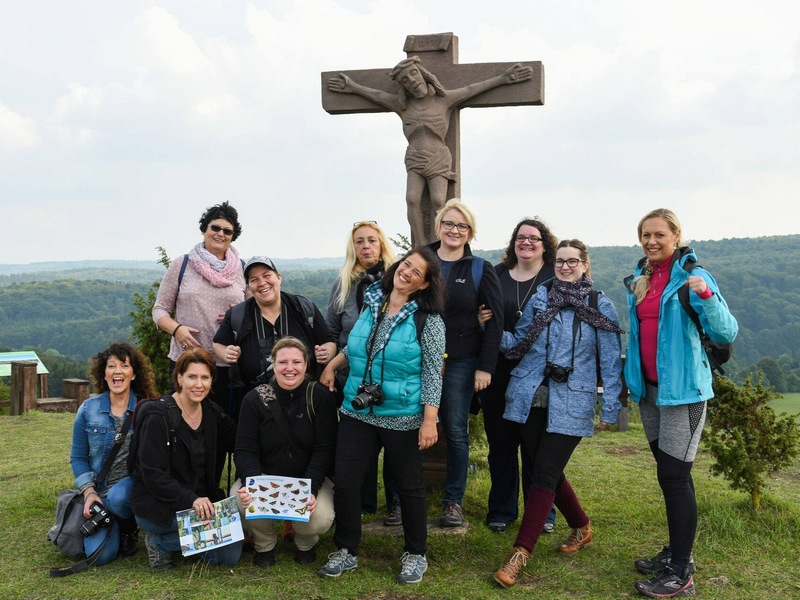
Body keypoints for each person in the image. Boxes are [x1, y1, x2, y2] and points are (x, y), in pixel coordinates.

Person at [493, 240, 624, 588]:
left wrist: (610, 405)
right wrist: (487, 327)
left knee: (545, 472)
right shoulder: (541, 299)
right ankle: (581, 526)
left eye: (573, 261)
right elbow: (518, 342)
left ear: (585, 264)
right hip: (532, 396)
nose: (565, 267)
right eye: (561, 261)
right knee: (544, 469)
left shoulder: (600, 305)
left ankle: (519, 554)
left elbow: (610, 362)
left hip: (574, 400)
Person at [624, 209, 738, 598]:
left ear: (676, 236)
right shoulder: (641, 278)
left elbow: (726, 330)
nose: (651, 241)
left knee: (674, 477)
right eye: (645, 235)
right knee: (669, 474)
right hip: (651, 393)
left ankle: (681, 573)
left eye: (658, 235)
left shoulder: (694, 277)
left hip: (685, 392)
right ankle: (676, 551)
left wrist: (705, 296)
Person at [317, 247, 446, 585]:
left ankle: (415, 554)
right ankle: (346, 550)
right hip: (357, 411)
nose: (407, 272)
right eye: (406, 265)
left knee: (409, 486)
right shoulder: (372, 302)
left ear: (423, 284)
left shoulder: (428, 320)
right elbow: (357, 345)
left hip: (402, 415)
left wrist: (430, 420)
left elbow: (434, 373)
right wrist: (332, 365)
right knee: (346, 482)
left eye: (417, 272)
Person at [328, 57, 533, 244]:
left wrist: (503, 79)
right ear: (403, 87)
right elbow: (376, 95)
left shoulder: (443, 100)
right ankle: (421, 244)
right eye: (406, 80)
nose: (412, 81)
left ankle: (438, 242)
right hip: (415, 157)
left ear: (423, 74)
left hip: (438, 157)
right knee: (412, 199)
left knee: (438, 200)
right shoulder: (403, 106)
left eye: (413, 74)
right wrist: (352, 86)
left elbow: (471, 89)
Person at [131, 348, 248, 569]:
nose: (199, 384)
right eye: (192, 376)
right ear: (179, 378)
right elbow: (153, 474)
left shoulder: (212, 413)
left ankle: (182, 541)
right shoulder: (158, 416)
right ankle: (160, 542)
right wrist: (190, 500)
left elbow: (240, 440)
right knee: (224, 542)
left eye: (205, 377)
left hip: (201, 504)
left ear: (212, 381)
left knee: (229, 554)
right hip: (160, 506)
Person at [425, 198, 503, 527]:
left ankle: (452, 501)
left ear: (470, 232)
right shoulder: (421, 260)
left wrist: (485, 367)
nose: (454, 230)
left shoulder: (479, 268)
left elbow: (495, 319)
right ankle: (401, 499)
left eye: (462, 226)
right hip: (419, 360)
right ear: (439, 226)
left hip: (461, 360)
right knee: (407, 426)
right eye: (449, 224)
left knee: (456, 430)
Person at [478, 218, 558, 534]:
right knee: (501, 444)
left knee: (536, 448)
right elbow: (479, 311)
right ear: (513, 243)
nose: (526, 242)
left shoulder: (554, 278)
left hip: (539, 374)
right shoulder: (496, 276)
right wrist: (478, 317)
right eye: (520, 237)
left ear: (545, 243)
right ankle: (501, 509)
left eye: (533, 238)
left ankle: (543, 513)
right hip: (497, 372)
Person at [233, 337, 337, 568]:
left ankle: (305, 542)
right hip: (266, 476)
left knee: (318, 517)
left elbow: (324, 450)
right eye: (283, 362)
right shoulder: (256, 398)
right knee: (242, 501)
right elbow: (245, 449)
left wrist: (310, 489)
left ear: (306, 365)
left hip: (308, 478)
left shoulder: (319, 397)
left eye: (296, 362)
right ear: (274, 364)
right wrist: (253, 483)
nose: (290, 368)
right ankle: (265, 544)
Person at [326, 221, 400, 524]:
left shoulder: (397, 281)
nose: (366, 246)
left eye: (372, 240)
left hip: (390, 374)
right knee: (360, 442)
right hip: (350, 377)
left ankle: (395, 502)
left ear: (382, 244)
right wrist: (329, 365)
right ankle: (365, 501)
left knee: (394, 441)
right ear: (352, 247)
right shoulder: (343, 283)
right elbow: (332, 329)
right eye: (359, 241)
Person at [152, 201, 246, 416]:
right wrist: (177, 330)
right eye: (215, 227)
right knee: (182, 423)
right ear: (205, 229)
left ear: (233, 236)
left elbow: (254, 310)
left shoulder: (242, 268)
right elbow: (159, 309)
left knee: (220, 431)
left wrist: (239, 314)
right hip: (186, 361)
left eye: (227, 230)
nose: (220, 234)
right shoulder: (182, 264)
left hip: (226, 364)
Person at [69, 342, 158, 565]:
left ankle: (129, 527)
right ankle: (116, 523)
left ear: (134, 374)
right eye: (111, 366)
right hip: (100, 491)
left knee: (119, 497)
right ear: (104, 374)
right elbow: (78, 458)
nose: (117, 371)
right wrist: (89, 492)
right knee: (99, 557)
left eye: (124, 366)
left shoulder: (148, 409)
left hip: (132, 489)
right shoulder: (88, 409)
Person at [213, 256, 336, 396]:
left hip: (306, 398)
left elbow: (328, 342)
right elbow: (218, 343)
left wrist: (326, 353)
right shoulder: (237, 315)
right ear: (248, 287)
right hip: (257, 402)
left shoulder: (303, 308)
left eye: (267, 275)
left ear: (279, 277)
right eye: (254, 280)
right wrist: (227, 353)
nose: (262, 283)